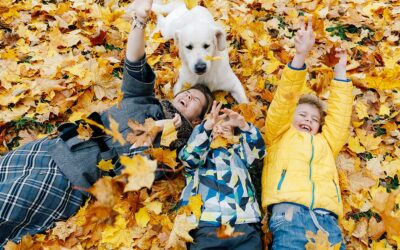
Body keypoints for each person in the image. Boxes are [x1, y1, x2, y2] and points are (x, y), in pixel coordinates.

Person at [0, 0, 213, 246]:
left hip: (69, 180)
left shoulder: (174, 151)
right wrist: (140, 21)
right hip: (48, 149)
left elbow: (133, 171)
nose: (187, 95)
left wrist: (164, 128)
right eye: (187, 92)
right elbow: (134, 63)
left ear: (197, 119)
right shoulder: (145, 100)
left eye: (195, 98)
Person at [261, 18, 353, 249]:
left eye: (314, 120)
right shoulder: (279, 134)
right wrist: (300, 56)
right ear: (291, 116)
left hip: (327, 221)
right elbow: (286, 99)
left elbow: (340, 117)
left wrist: (340, 70)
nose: (308, 121)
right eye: (302, 115)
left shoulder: (326, 143)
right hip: (289, 212)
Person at [179, 101, 266, 250]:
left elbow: (258, 153)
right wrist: (207, 127)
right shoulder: (197, 158)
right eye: (214, 127)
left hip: (244, 222)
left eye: (226, 128)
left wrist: (244, 126)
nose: (219, 129)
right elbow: (189, 157)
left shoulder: (239, 153)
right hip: (205, 225)